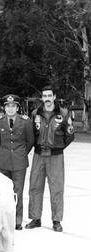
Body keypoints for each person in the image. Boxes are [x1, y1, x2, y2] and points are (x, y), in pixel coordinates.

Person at [26, 86, 75, 232]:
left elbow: (70, 135)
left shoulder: (63, 113)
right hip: (38, 155)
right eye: (44, 96)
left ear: (54, 97)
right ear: (42, 98)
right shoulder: (35, 113)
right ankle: (35, 218)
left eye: (49, 95)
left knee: (57, 188)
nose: (47, 98)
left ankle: (56, 220)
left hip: (56, 157)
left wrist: (58, 147)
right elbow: (31, 134)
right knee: (35, 186)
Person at [0, 94, 34, 230]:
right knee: (4, 191)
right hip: (4, 161)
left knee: (18, 191)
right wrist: (7, 152)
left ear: (17, 107)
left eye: (13, 106)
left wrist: (20, 153)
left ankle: (17, 220)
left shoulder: (26, 121)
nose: (10, 109)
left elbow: (30, 141)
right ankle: (5, 219)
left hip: (19, 162)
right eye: (7, 106)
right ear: (4, 108)